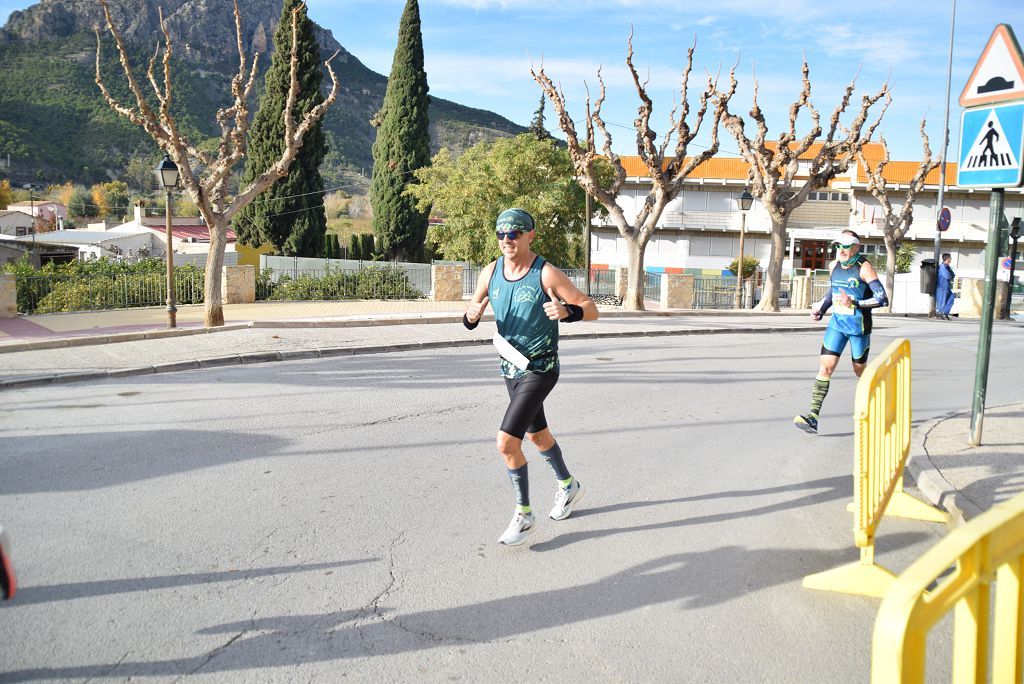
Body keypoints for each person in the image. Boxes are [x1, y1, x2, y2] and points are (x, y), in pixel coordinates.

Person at [463, 208, 599, 545]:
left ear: (530, 235)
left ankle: (524, 514)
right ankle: (569, 486)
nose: (507, 239)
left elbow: (591, 308)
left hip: (540, 367)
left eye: (515, 233)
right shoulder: (490, 272)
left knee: (507, 442)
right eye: (501, 233)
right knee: (538, 436)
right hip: (510, 367)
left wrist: (568, 312)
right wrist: (471, 315)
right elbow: (469, 315)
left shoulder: (546, 273)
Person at [794, 230, 888, 435]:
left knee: (860, 371)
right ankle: (813, 417)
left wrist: (854, 302)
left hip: (858, 328)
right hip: (837, 324)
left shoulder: (864, 268)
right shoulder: (833, 266)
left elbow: (882, 299)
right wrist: (822, 309)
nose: (841, 250)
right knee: (825, 367)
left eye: (845, 246)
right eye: (838, 246)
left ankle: (876, 410)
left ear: (856, 246)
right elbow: (833, 291)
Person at [936, 253, 955, 320]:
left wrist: (949, 271)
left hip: (947, 287)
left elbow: (953, 275)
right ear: (947, 259)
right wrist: (950, 275)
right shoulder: (942, 267)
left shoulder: (947, 267)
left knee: (951, 298)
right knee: (942, 301)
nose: (951, 259)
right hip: (942, 287)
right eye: (950, 258)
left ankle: (945, 312)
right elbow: (946, 276)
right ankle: (941, 314)